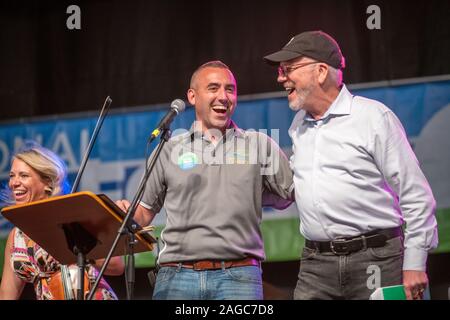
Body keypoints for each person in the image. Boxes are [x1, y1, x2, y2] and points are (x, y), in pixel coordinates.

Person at [263, 30, 438, 300]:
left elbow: (416, 195)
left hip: (378, 258)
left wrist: (415, 262)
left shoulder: (372, 117)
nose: (281, 77)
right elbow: (299, 187)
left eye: (289, 68)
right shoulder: (299, 125)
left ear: (321, 71)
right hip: (316, 264)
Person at [116, 60, 294, 300]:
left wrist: (251, 194)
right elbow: (144, 213)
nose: (223, 96)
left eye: (229, 89)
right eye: (213, 88)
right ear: (192, 96)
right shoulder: (169, 148)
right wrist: (122, 212)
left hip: (239, 276)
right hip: (177, 276)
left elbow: (288, 196)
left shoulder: (260, 145)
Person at [0, 141, 124, 300]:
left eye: (24, 175)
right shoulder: (16, 236)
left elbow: (116, 266)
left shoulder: (71, 217)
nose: (13, 182)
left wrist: (79, 249)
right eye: (12, 175)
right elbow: (7, 293)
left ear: (47, 182)